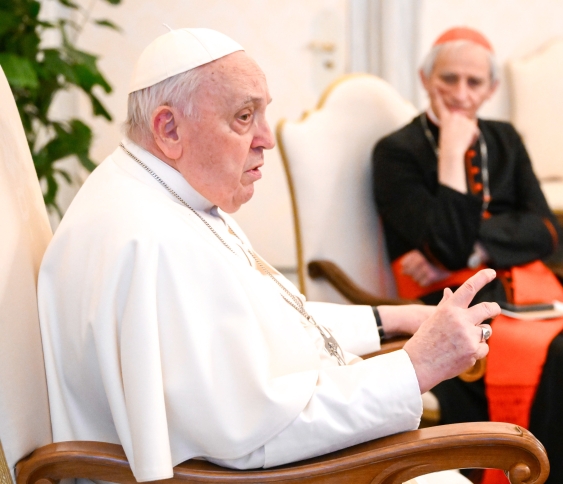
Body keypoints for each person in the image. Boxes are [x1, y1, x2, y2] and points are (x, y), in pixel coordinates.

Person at [37, 28, 500, 483]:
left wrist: (387, 320)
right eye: (243, 117)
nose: (266, 139)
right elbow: (253, 441)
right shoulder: (151, 242)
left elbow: (262, 324)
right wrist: (417, 366)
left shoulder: (160, 193)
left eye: (263, 114)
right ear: (169, 128)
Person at [373, 27, 563, 484]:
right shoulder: (396, 151)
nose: (460, 93)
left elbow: (545, 231)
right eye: (448, 79)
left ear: (491, 89)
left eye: (474, 83)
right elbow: (448, 248)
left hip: (526, 283)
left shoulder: (505, 139)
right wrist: (452, 153)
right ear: (425, 79)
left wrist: (474, 244)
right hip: (448, 300)